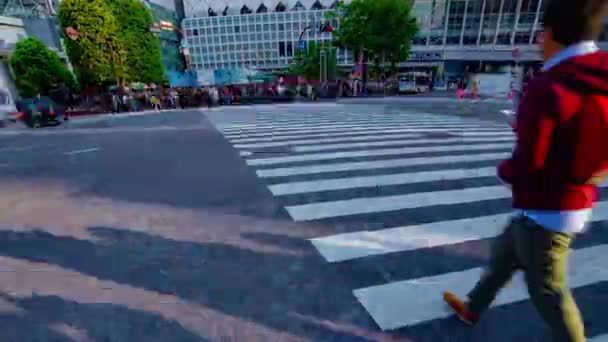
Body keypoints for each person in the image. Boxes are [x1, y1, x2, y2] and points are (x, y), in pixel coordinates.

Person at [443, 0, 608, 341]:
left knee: (549, 292)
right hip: (573, 197)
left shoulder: (548, 87)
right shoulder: (600, 72)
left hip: (546, 208)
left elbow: (528, 161)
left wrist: (505, 170)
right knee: (504, 255)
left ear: (548, 34)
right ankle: (473, 308)